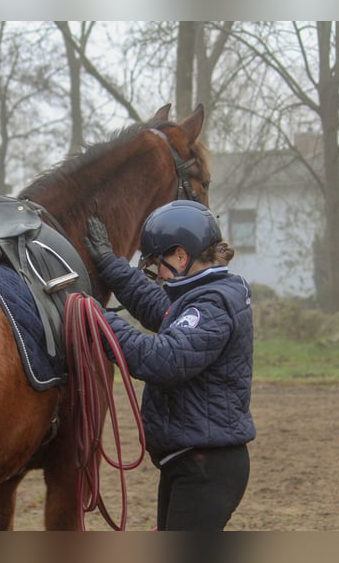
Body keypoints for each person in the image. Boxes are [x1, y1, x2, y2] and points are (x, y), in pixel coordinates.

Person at [84, 200, 255, 531]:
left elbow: (163, 360)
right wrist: (109, 264)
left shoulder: (212, 305)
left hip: (206, 467)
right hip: (193, 460)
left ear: (181, 255)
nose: (157, 273)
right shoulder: (207, 293)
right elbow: (160, 309)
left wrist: (95, 316)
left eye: (157, 262)